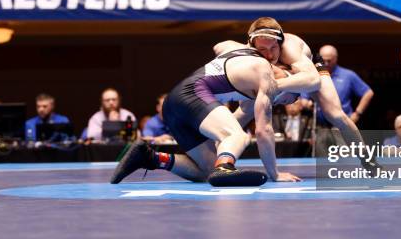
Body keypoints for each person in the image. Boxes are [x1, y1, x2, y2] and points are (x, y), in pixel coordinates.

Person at [111, 48, 301, 186]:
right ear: (285, 76)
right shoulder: (266, 75)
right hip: (193, 94)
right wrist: (274, 174)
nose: (281, 103)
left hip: (174, 105)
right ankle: (225, 167)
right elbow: (263, 130)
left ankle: (150, 157)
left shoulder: (245, 61)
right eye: (288, 98)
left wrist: (225, 141)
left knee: (206, 171)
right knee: (239, 136)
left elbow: (234, 120)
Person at [213, 17, 381, 171]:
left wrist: (274, 86)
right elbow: (219, 47)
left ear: (280, 42)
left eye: (273, 47)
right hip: (277, 75)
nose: (269, 54)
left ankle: (367, 159)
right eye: (262, 49)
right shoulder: (245, 52)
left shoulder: (290, 48)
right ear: (252, 45)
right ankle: (216, 154)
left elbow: (313, 80)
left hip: (311, 70)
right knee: (245, 110)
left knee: (335, 114)